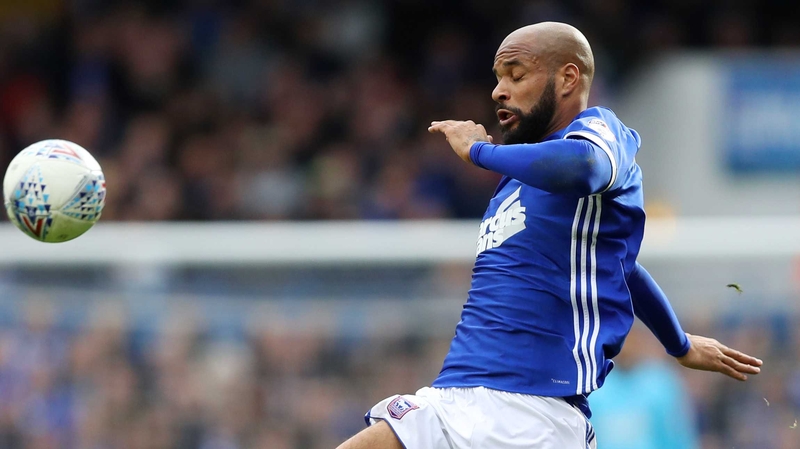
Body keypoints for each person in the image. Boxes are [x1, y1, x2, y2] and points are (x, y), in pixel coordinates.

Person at [336, 22, 762, 449]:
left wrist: (479, 152)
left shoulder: (602, 132)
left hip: (532, 413)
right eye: (498, 78)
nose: (499, 91)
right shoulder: (516, 181)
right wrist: (679, 344)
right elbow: (619, 266)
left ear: (568, 78)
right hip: (456, 393)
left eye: (516, 75)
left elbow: (585, 166)